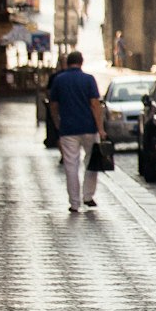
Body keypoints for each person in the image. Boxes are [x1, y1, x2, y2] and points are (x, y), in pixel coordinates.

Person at [48, 50, 107, 212]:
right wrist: (100, 129)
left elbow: (53, 105)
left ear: (68, 63)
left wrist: (57, 123)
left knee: (71, 165)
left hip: (68, 129)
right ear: (82, 62)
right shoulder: (88, 80)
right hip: (89, 127)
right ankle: (88, 196)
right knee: (91, 162)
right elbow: (95, 104)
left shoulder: (59, 80)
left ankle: (74, 203)